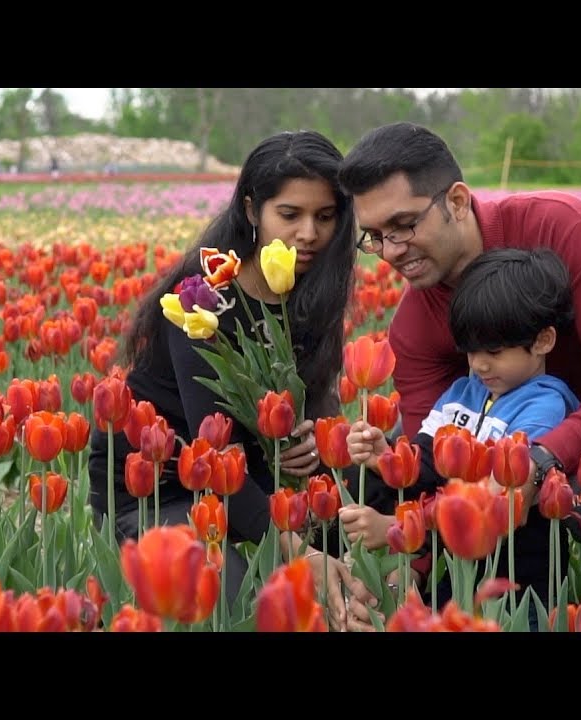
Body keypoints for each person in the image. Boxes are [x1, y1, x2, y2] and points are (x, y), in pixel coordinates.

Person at [337, 122, 581, 554]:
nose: (390, 251)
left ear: (457, 201)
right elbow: (434, 468)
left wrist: (536, 462)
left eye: (404, 225)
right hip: (536, 416)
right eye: (375, 237)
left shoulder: (563, 228)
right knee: (395, 448)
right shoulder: (414, 323)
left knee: (562, 491)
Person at [87, 130, 367, 629]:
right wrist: (301, 552)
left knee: (353, 562)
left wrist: (306, 445)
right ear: (252, 209)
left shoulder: (313, 296)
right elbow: (214, 452)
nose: (308, 233)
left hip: (256, 482)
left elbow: (314, 410)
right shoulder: (201, 300)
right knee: (235, 595)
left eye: (325, 216)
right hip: (161, 489)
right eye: (290, 214)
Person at [342, 247, 580, 624]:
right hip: (455, 568)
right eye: (470, 351)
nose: (479, 364)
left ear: (543, 341)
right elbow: (425, 462)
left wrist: (396, 528)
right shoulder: (462, 393)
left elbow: (494, 497)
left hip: (518, 580)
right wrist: (384, 457)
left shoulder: (546, 407)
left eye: (494, 352)